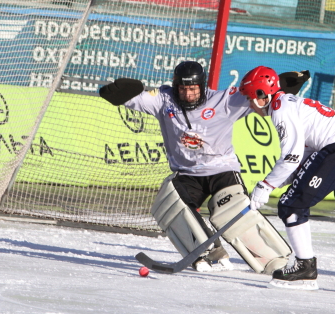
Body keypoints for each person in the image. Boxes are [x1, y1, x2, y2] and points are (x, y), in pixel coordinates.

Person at [97, 61, 294, 274]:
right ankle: (207, 253)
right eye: (182, 89)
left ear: (202, 85)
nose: (188, 94)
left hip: (222, 170)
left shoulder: (225, 101)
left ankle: (272, 259)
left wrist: (283, 85)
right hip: (187, 173)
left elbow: (260, 92)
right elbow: (128, 98)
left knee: (231, 209)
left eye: (193, 88)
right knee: (171, 204)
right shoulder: (164, 100)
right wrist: (119, 91)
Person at [238, 65, 335, 293]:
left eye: (250, 98)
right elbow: (303, 157)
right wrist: (284, 179)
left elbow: (291, 156)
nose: (249, 104)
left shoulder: (279, 109)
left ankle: (304, 269)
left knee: (291, 204)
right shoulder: (288, 103)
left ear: (262, 96)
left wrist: (265, 185)